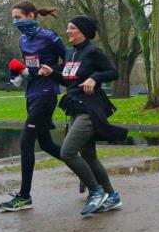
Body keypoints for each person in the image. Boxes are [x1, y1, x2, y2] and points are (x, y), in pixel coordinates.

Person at [43, 15, 128, 216]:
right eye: (67, 28)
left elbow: (112, 73)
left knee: (67, 152)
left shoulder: (93, 52)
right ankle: (111, 196)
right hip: (75, 108)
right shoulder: (70, 53)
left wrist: (94, 77)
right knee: (89, 156)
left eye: (72, 28)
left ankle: (96, 192)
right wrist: (52, 73)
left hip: (89, 110)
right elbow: (69, 81)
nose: (68, 31)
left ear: (83, 30)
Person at [0, 1, 73, 212]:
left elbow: (70, 61)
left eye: (18, 18)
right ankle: (86, 172)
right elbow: (31, 68)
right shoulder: (23, 40)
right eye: (13, 18)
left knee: (25, 142)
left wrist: (53, 70)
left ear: (31, 16)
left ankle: (24, 196)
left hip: (47, 94)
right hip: (31, 93)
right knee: (47, 144)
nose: (15, 22)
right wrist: (19, 74)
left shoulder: (50, 37)